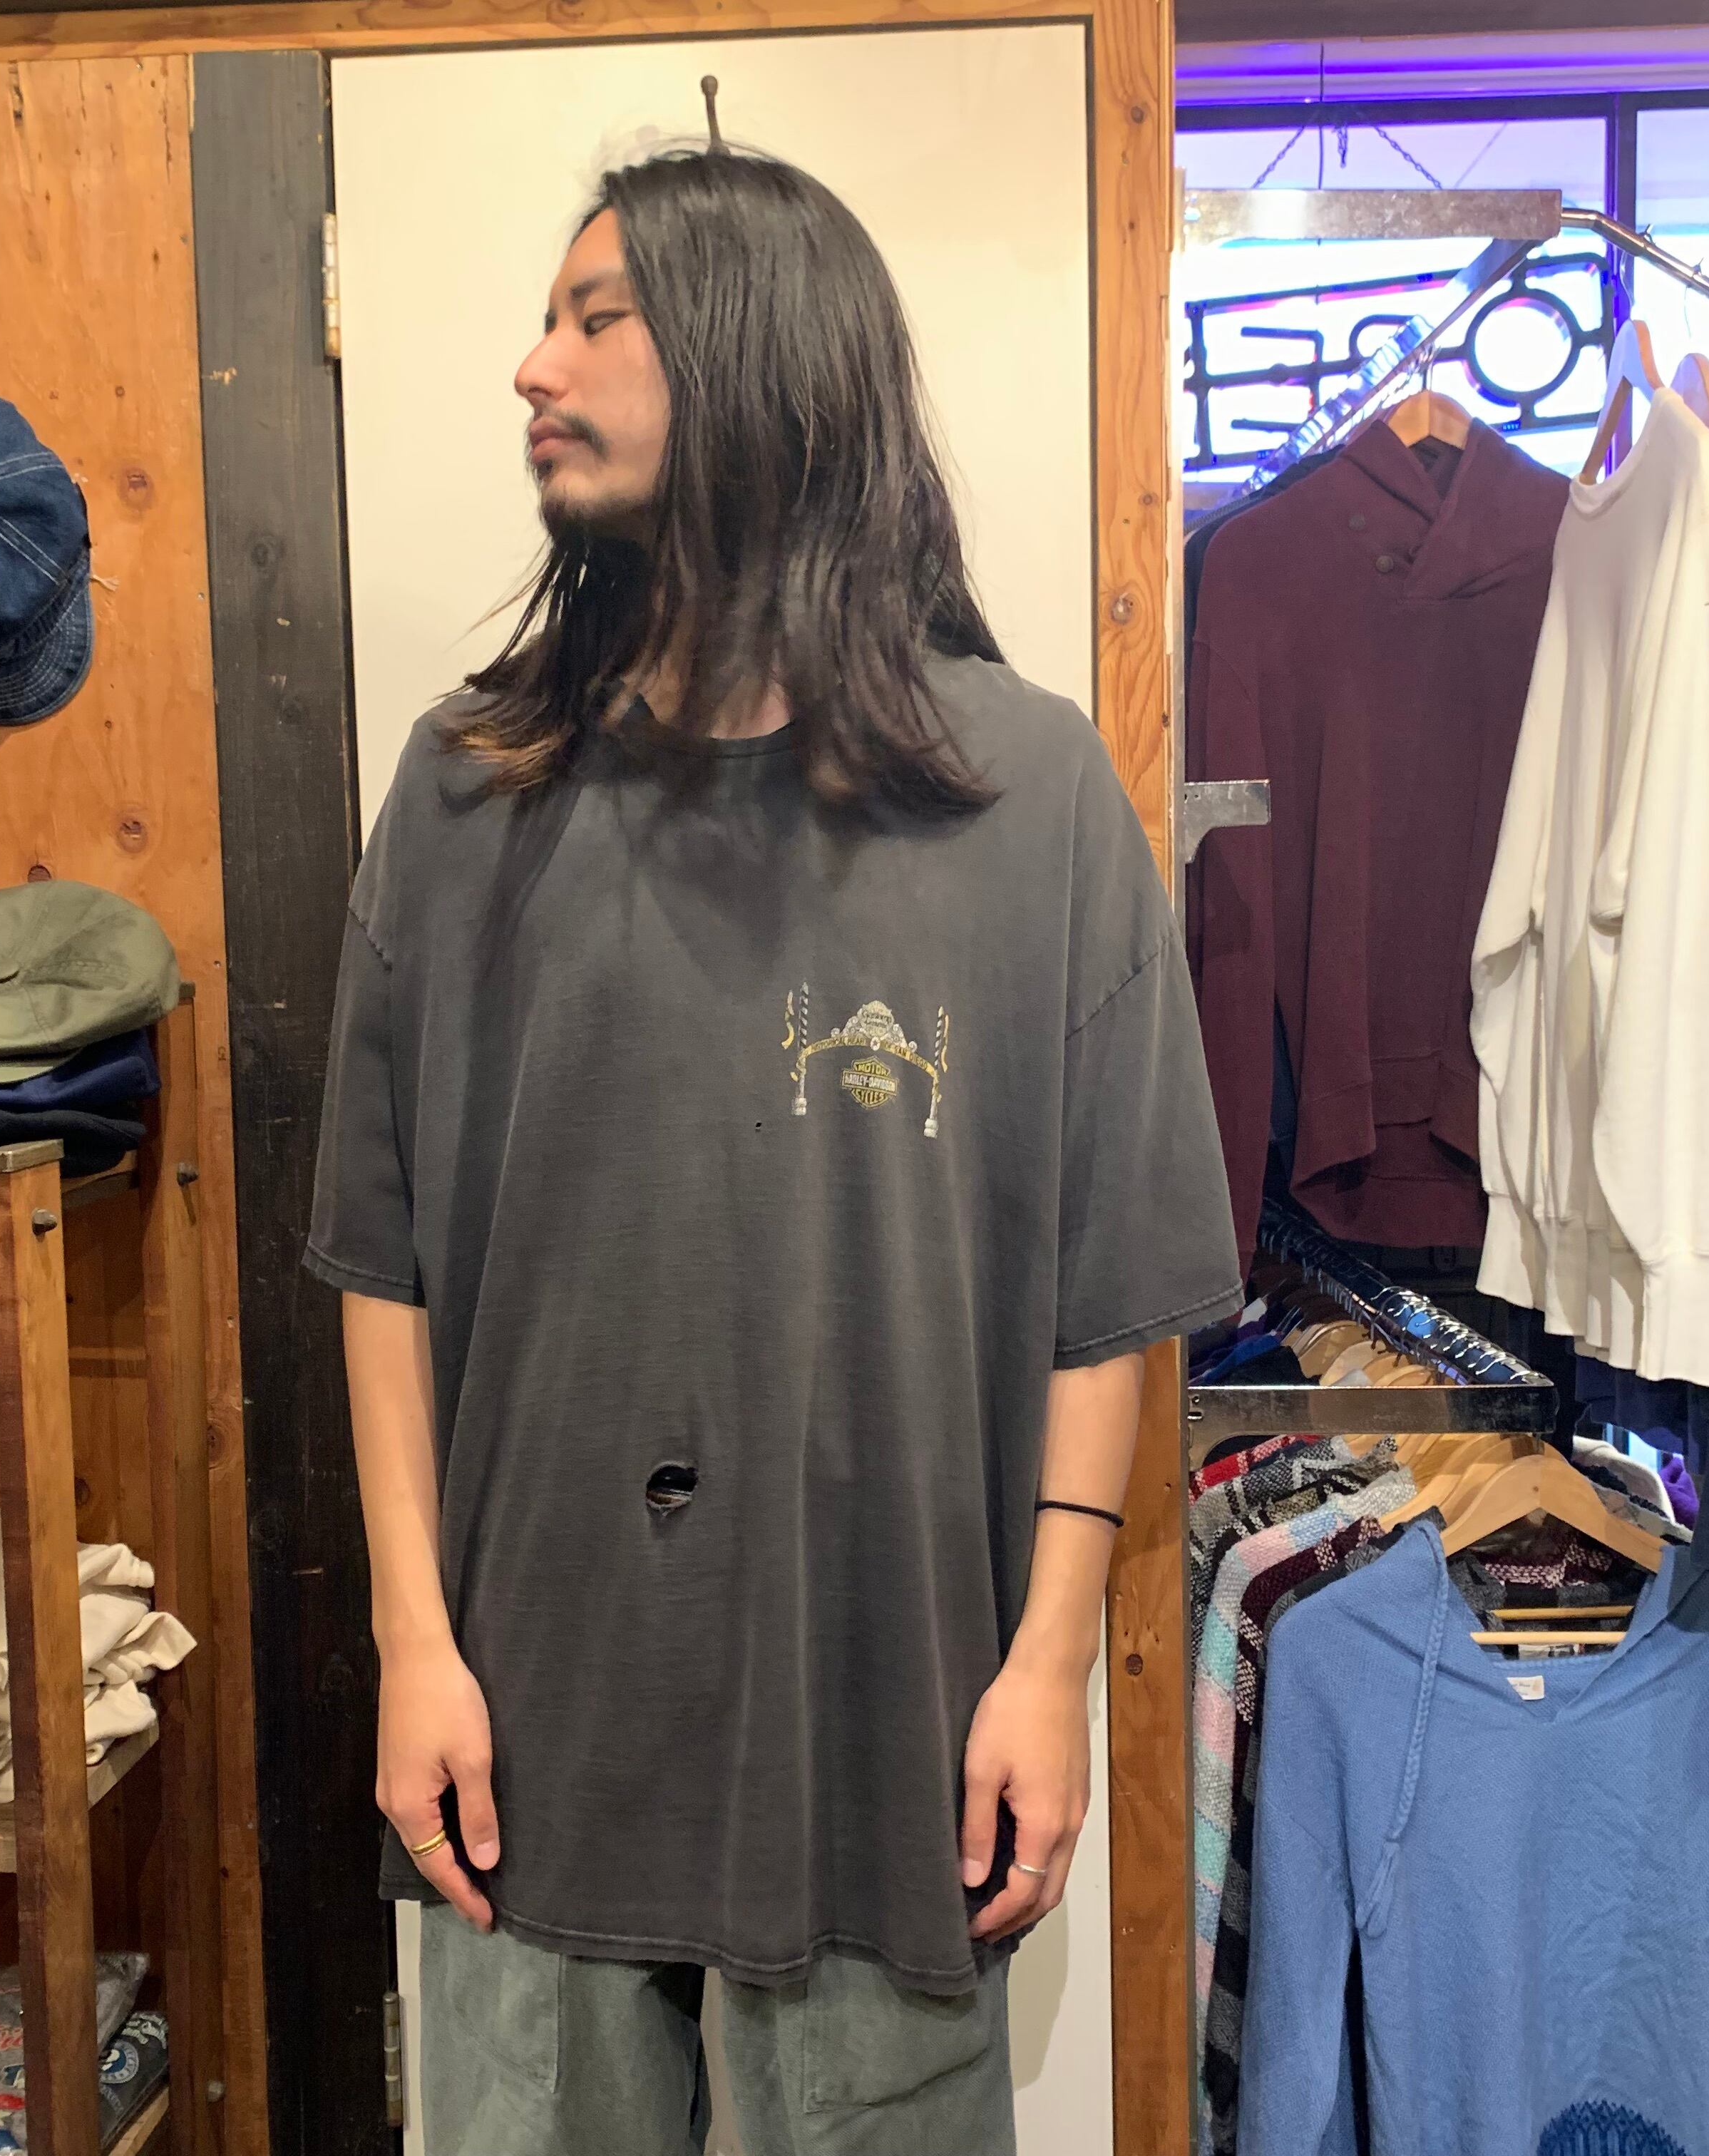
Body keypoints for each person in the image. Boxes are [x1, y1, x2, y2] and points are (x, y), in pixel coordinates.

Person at [306, 143, 1239, 2156]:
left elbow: (1106, 1295)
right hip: (529, 1719)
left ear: (758, 362)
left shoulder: (1024, 800)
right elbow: (383, 1266)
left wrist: (1050, 1666)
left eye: (598, 319)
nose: (534, 367)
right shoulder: (471, 796)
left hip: (881, 1715)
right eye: (546, 319)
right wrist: (412, 1644)